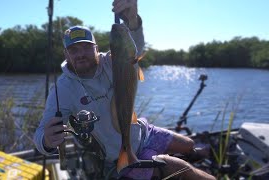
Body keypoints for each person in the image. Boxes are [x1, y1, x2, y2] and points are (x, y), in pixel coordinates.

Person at [34, 0, 216, 179]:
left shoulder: (113, 60)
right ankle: (171, 165)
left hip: (142, 132)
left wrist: (133, 21)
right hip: (116, 155)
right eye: (74, 50)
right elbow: (41, 135)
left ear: (96, 49)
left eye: (86, 47)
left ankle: (189, 155)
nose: (81, 54)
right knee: (181, 169)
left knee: (188, 144)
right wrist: (47, 141)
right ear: (66, 54)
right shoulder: (62, 90)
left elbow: (133, 48)